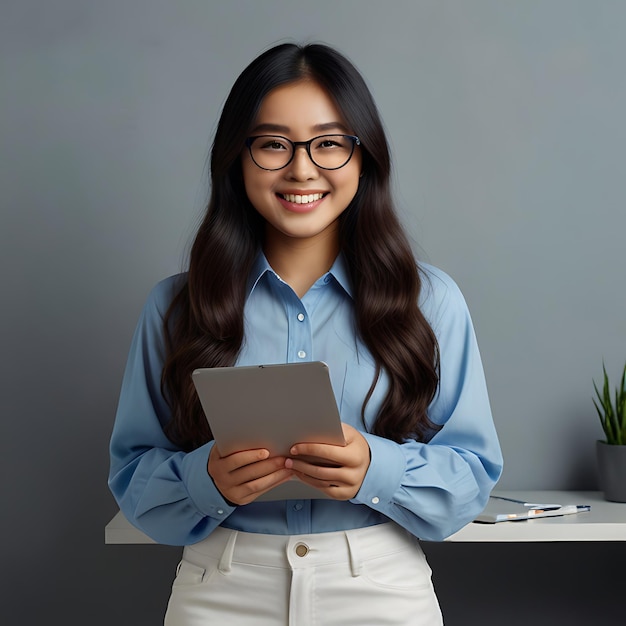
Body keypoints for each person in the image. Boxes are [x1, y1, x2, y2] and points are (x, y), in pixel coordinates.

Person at [108, 42, 503, 625]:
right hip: (221, 588)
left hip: (380, 587)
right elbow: (132, 474)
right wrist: (205, 480)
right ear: (237, 160)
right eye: (272, 144)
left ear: (363, 157)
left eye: (329, 143)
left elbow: (472, 475)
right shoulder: (174, 305)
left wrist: (379, 468)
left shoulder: (431, 300)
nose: (301, 168)